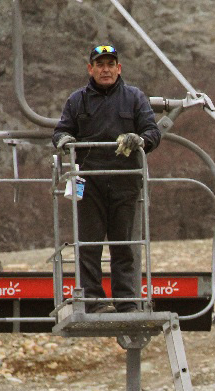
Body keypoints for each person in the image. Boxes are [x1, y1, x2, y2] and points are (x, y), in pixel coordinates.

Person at [53, 44, 161, 314]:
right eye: (100, 64)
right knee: (88, 246)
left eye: (110, 64)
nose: (105, 69)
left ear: (119, 68)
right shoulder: (77, 100)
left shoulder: (135, 98)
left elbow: (152, 131)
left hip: (125, 182)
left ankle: (126, 303)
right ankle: (94, 302)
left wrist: (139, 139)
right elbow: (61, 131)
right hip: (88, 183)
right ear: (90, 69)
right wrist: (65, 141)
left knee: (124, 247)